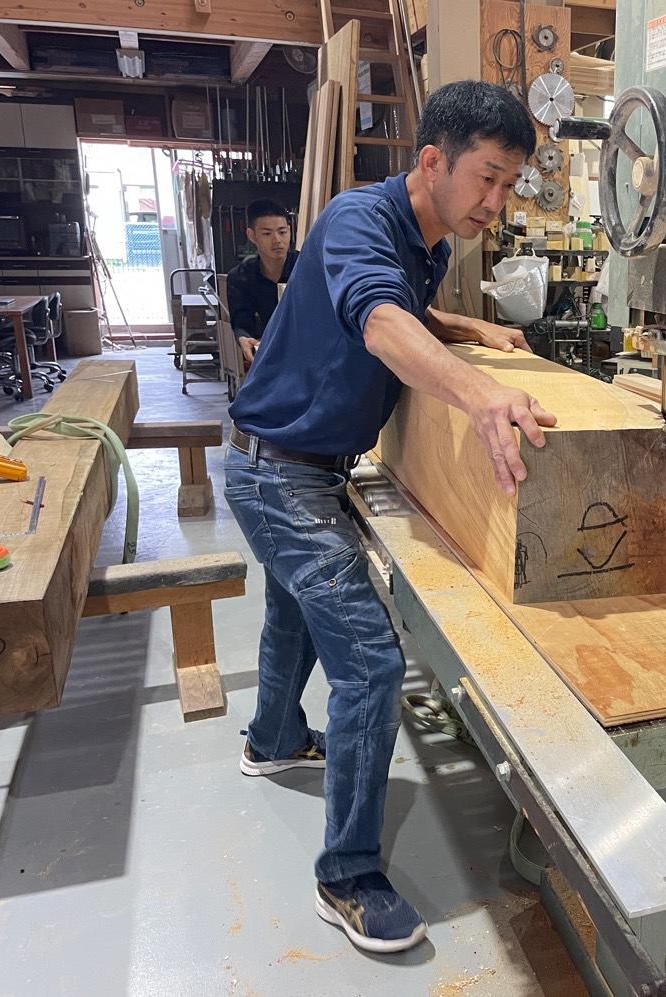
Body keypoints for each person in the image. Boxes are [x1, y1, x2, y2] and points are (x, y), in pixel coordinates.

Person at [223, 80, 553, 955]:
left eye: (510, 183)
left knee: (295, 605)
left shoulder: (424, 240)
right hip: (276, 473)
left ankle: (273, 738)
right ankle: (348, 875)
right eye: (487, 177)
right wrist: (480, 394)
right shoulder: (356, 219)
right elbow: (376, 319)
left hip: (301, 464)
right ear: (433, 160)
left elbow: (406, 307)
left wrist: (467, 329)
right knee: (370, 661)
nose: (497, 201)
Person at [227, 199, 299, 364]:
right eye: (267, 234)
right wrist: (244, 338)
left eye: (282, 232)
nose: (277, 240)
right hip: (272, 354)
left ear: (289, 230)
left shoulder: (307, 268)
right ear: (252, 236)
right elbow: (242, 322)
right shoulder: (241, 277)